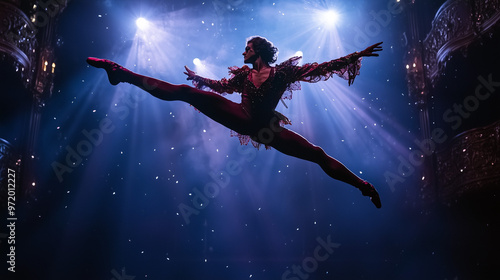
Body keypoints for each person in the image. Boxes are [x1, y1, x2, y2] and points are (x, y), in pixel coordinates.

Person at [87, 36, 383, 208]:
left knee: (317, 153)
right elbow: (221, 86)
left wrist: (357, 55)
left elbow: (322, 67)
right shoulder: (243, 76)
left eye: (248, 48)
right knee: (186, 93)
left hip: (268, 129)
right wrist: (198, 79)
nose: (244, 52)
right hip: (240, 116)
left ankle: (363, 185)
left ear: (259, 51)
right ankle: (119, 71)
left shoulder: (282, 73)